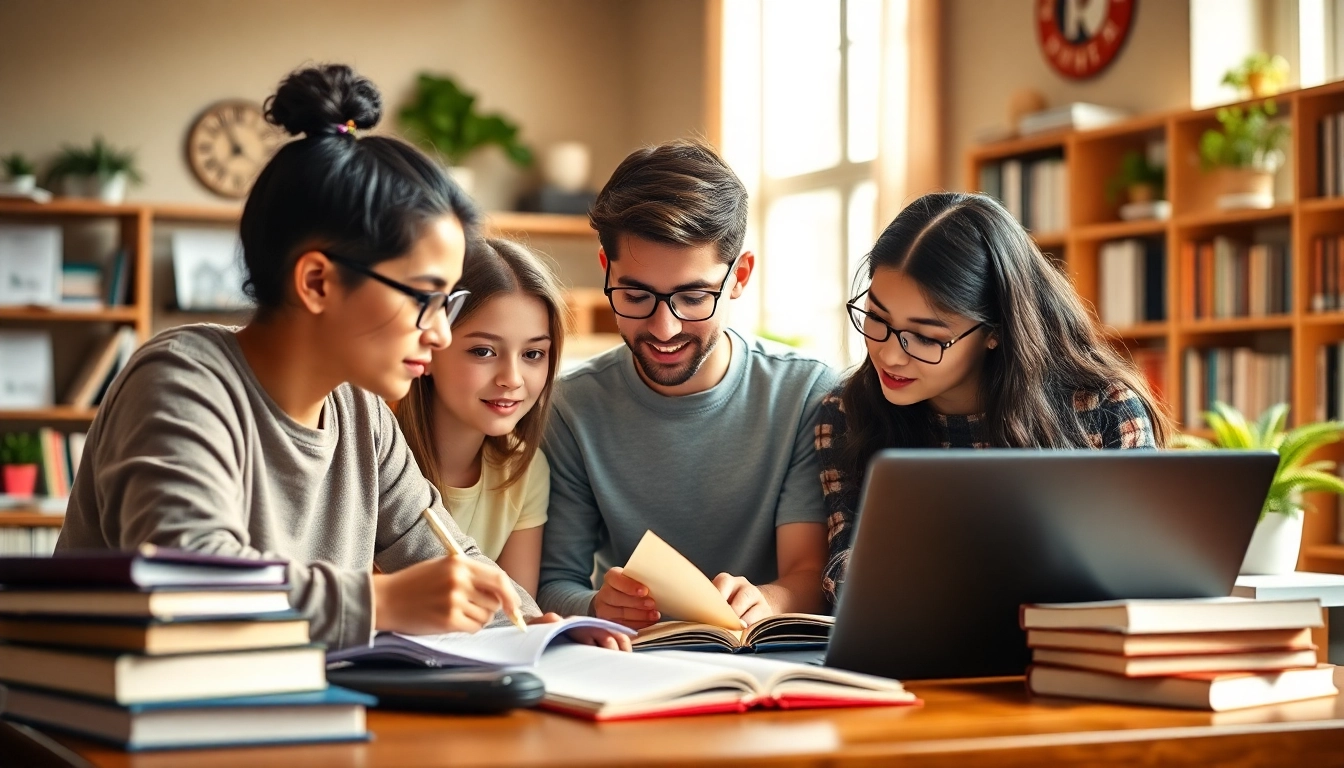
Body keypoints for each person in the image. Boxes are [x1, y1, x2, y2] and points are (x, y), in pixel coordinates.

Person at [58, 64, 628, 652]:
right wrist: (385, 602)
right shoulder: (181, 380)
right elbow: (189, 582)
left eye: (449, 302)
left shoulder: (362, 413)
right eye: (424, 297)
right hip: (123, 728)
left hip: (286, 716)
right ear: (317, 282)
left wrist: (538, 628)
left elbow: (451, 554)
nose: (438, 334)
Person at [538, 139, 838, 630]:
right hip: (636, 664)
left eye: (694, 296)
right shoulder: (573, 408)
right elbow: (554, 584)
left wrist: (770, 599)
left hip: (766, 661)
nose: (664, 329)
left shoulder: (805, 393)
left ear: (739, 276)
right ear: (605, 269)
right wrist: (597, 605)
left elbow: (808, 574)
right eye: (634, 295)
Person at [818, 192, 1172, 603]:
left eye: (927, 337)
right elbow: (843, 579)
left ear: (995, 331)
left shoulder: (1103, 411)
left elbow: (1141, 575)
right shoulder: (848, 411)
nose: (890, 354)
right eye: (876, 319)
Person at [395, 238, 566, 598]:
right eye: (484, 351)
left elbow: (515, 614)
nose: (513, 378)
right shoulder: (377, 454)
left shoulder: (524, 470)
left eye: (533, 353)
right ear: (429, 344)